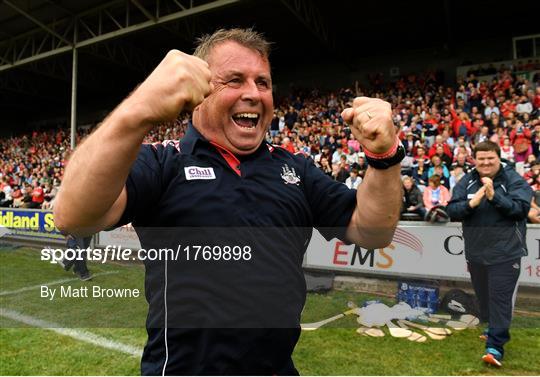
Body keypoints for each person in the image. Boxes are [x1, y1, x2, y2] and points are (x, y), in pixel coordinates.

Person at [53, 28, 403, 375]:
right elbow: (73, 216)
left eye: (262, 83)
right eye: (234, 80)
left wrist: (385, 157)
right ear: (198, 90)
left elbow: (372, 233)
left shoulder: (294, 168)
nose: (253, 93)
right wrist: (138, 109)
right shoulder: (165, 162)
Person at [446, 141, 532, 368]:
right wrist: (472, 203)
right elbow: (452, 209)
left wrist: (494, 197)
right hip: (476, 253)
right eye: (481, 158)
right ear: (474, 159)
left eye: (490, 158)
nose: (485, 163)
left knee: (499, 300)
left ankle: (495, 347)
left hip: (506, 253)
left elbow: (521, 210)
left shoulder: (513, 179)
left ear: (498, 158)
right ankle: (492, 328)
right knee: (484, 300)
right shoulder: (468, 180)